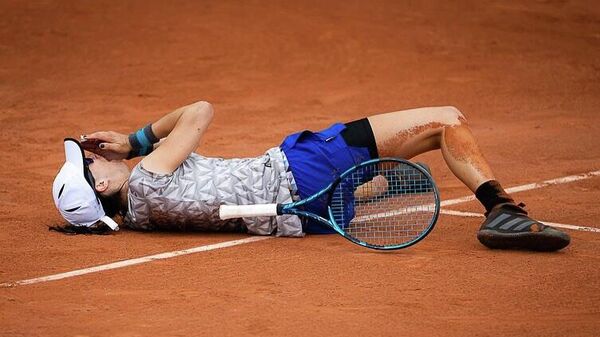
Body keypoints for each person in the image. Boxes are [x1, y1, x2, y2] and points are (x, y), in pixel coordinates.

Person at [52, 101, 570, 251]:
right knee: (445, 122)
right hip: (305, 168)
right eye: (90, 161)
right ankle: (502, 212)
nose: (97, 154)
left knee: (399, 172)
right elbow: (200, 111)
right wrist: (134, 141)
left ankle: (385, 181)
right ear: (101, 186)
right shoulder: (144, 179)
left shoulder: (141, 214)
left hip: (311, 215)